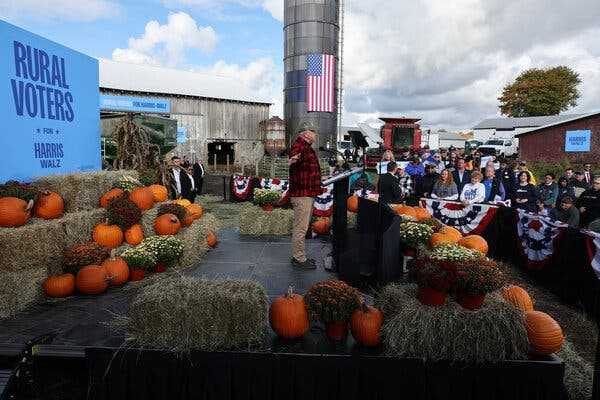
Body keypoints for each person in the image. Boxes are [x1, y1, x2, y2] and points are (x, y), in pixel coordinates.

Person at [288, 124, 322, 270]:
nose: (315, 136)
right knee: (301, 228)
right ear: (306, 134)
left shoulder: (307, 148)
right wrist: (293, 160)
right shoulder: (300, 147)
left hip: (307, 193)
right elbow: (294, 160)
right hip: (302, 195)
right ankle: (299, 258)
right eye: (313, 133)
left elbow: (307, 170)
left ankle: (300, 255)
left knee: (303, 227)